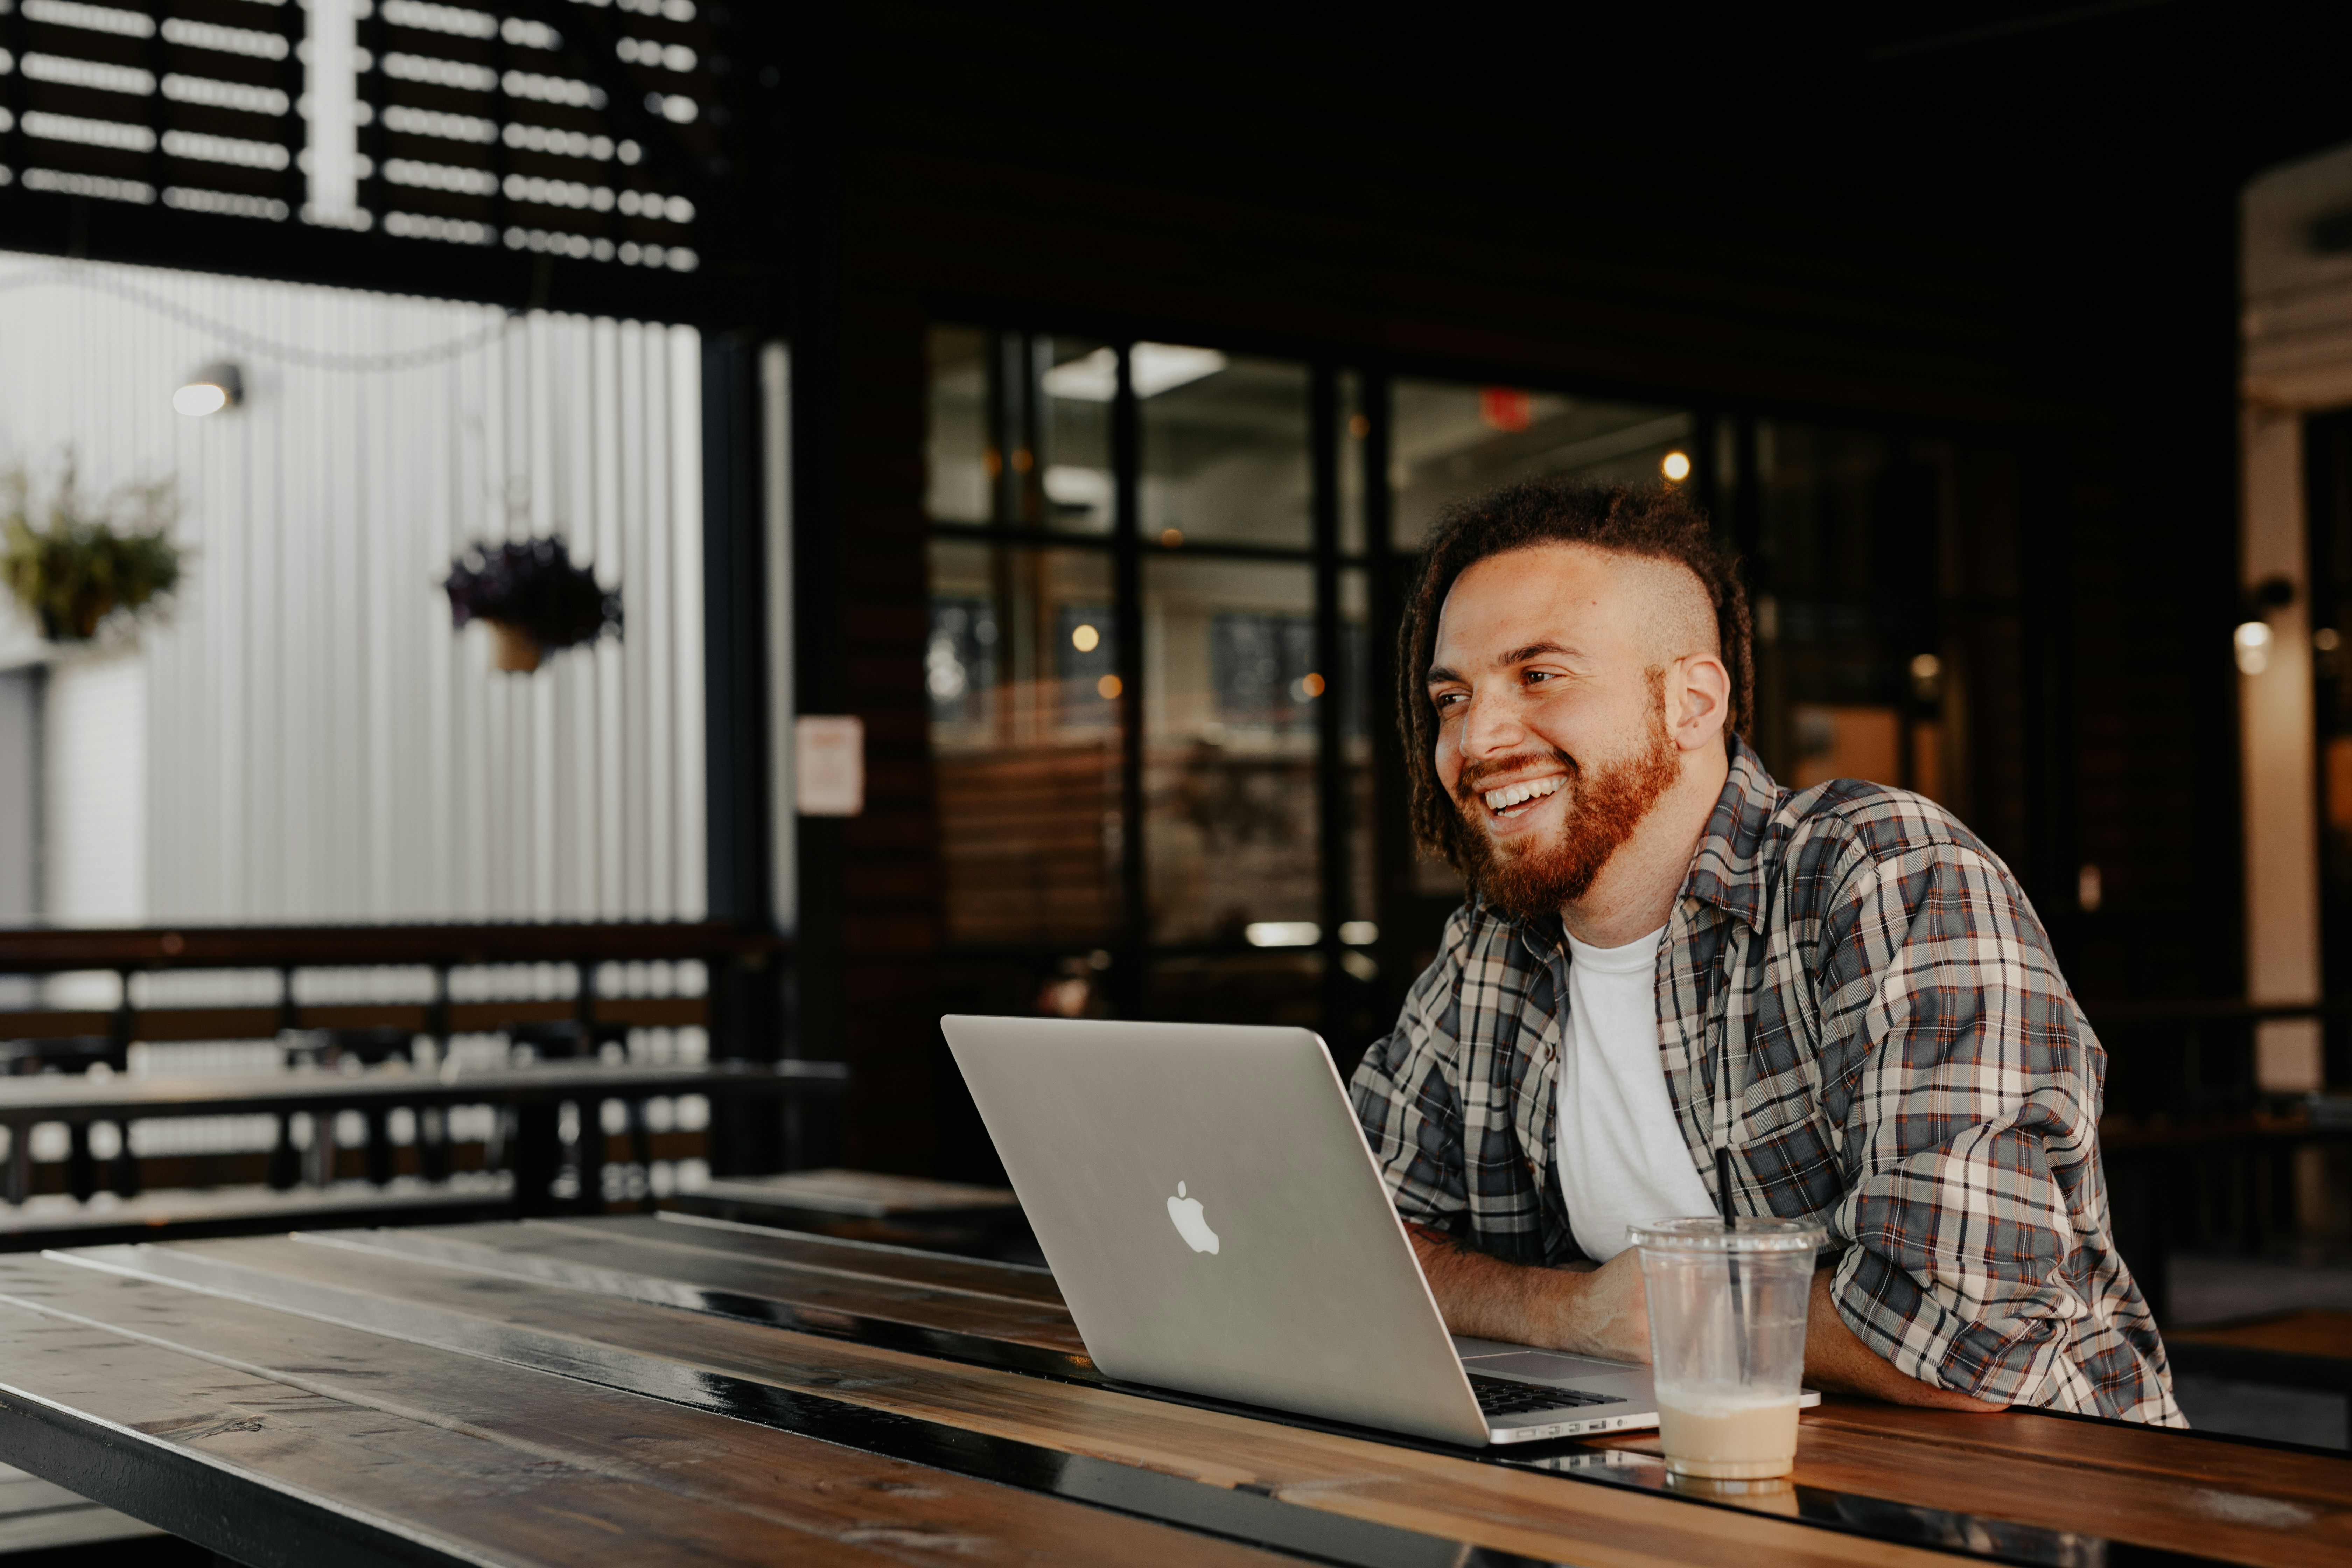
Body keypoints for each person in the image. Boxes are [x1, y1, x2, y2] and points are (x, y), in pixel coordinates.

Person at [1350, 477, 2179, 1422]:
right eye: (1453, 696)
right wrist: (1575, 1314)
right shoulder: (1492, 952)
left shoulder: (1884, 873)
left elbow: (1965, 1336)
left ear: (1693, 702)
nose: (1476, 738)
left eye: (1540, 677)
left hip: (2024, 1501)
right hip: (1680, 1489)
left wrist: (1668, 1312)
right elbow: (1355, 1239)